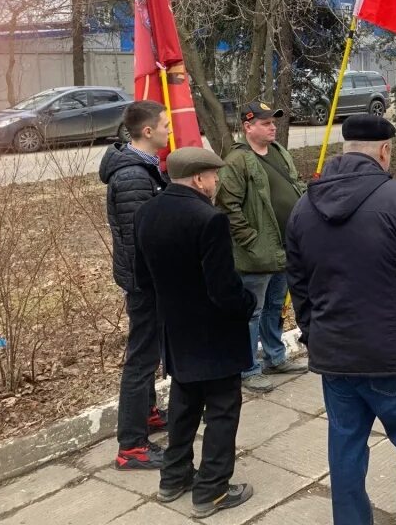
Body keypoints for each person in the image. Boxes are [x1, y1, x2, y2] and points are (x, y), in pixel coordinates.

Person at [286, 114, 396, 525]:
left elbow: (299, 286)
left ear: (346, 150)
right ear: (384, 151)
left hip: (336, 358)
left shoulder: (302, 207)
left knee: (345, 453)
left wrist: (315, 336)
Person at [134, 147, 257, 519]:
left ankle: (173, 478)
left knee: (184, 406)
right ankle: (212, 490)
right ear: (199, 178)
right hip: (214, 336)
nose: (216, 182)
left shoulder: (145, 213)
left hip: (175, 330)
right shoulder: (209, 220)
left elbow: (143, 280)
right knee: (222, 411)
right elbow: (223, 291)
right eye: (213, 176)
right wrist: (248, 303)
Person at [215, 100, 308, 393]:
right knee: (251, 312)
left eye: (274, 122)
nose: (273, 127)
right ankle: (248, 368)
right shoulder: (237, 161)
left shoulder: (279, 153)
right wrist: (250, 241)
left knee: (275, 307)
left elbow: (295, 184)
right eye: (266, 123)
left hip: (285, 247)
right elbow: (227, 206)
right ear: (248, 126)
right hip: (256, 253)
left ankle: (274, 357)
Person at [99, 100, 170, 471]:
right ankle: (132, 446)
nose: (168, 130)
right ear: (147, 131)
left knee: (149, 352)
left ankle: (149, 415)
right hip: (145, 284)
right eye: (165, 125)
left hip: (148, 281)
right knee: (141, 359)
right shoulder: (132, 177)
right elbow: (142, 239)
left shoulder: (144, 169)